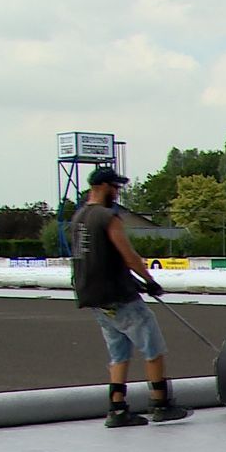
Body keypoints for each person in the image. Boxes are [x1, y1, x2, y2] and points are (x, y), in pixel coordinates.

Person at [70, 167, 192, 428]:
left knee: (118, 352)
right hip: (119, 297)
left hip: (94, 298)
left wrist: (133, 280)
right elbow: (129, 255)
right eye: (115, 187)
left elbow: (98, 259)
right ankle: (160, 403)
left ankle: (117, 409)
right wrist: (149, 281)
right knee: (153, 347)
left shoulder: (78, 218)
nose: (117, 192)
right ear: (101, 186)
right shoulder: (108, 217)